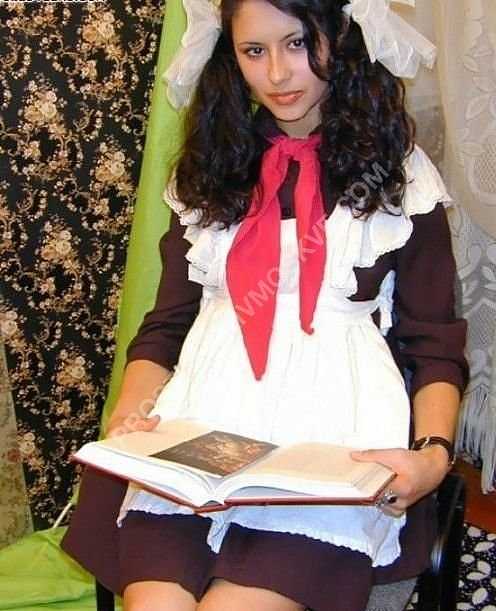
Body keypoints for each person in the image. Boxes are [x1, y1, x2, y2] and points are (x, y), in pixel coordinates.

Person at [61, 0, 468, 609]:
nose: (277, 73)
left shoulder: (399, 175)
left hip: (329, 439)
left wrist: (433, 457)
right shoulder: (209, 167)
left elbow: (433, 342)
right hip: (198, 425)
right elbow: (167, 325)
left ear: (340, 36)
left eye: (298, 43)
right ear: (230, 57)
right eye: (254, 50)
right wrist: (130, 418)